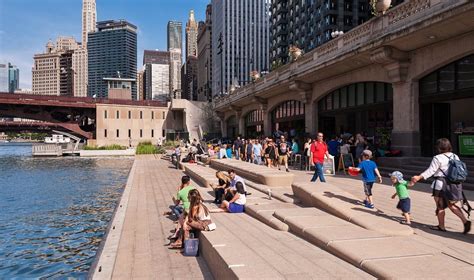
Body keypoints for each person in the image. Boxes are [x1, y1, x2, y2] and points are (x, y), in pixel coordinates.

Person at [411, 138, 471, 234]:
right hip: (454, 184)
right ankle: (465, 221)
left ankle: (441, 226)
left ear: (439, 147)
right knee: (452, 204)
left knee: (440, 206)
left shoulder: (437, 158)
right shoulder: (455, 156)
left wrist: (419, 177)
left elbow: (431, 171)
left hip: (441, 184)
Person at [168, 176, 195, 241]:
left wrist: (174, 199)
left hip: (187, 209)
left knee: (175, 208)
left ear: (182, 182)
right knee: (181, 212)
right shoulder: (193, 188)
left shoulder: (180, 192)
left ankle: (176, 233)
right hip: (193, 207)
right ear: (189, 182)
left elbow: (176, 203)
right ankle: (177, 233)